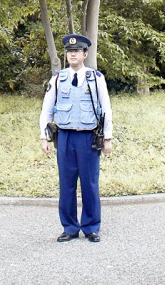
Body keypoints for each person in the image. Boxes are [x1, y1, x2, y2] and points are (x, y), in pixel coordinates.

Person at [39, 33, 113, 243]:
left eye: (77, 51)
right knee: (67, 183)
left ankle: (91, 227)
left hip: (88, 138)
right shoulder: (58, 78)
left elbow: (106, 108)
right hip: (64, 138)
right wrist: (43, 137)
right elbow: (47, 109)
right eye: (69, 52)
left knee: (89, 183)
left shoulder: (96, 78)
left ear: (85, 54)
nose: (72, 54)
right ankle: (70, 227)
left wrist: (107, 137)